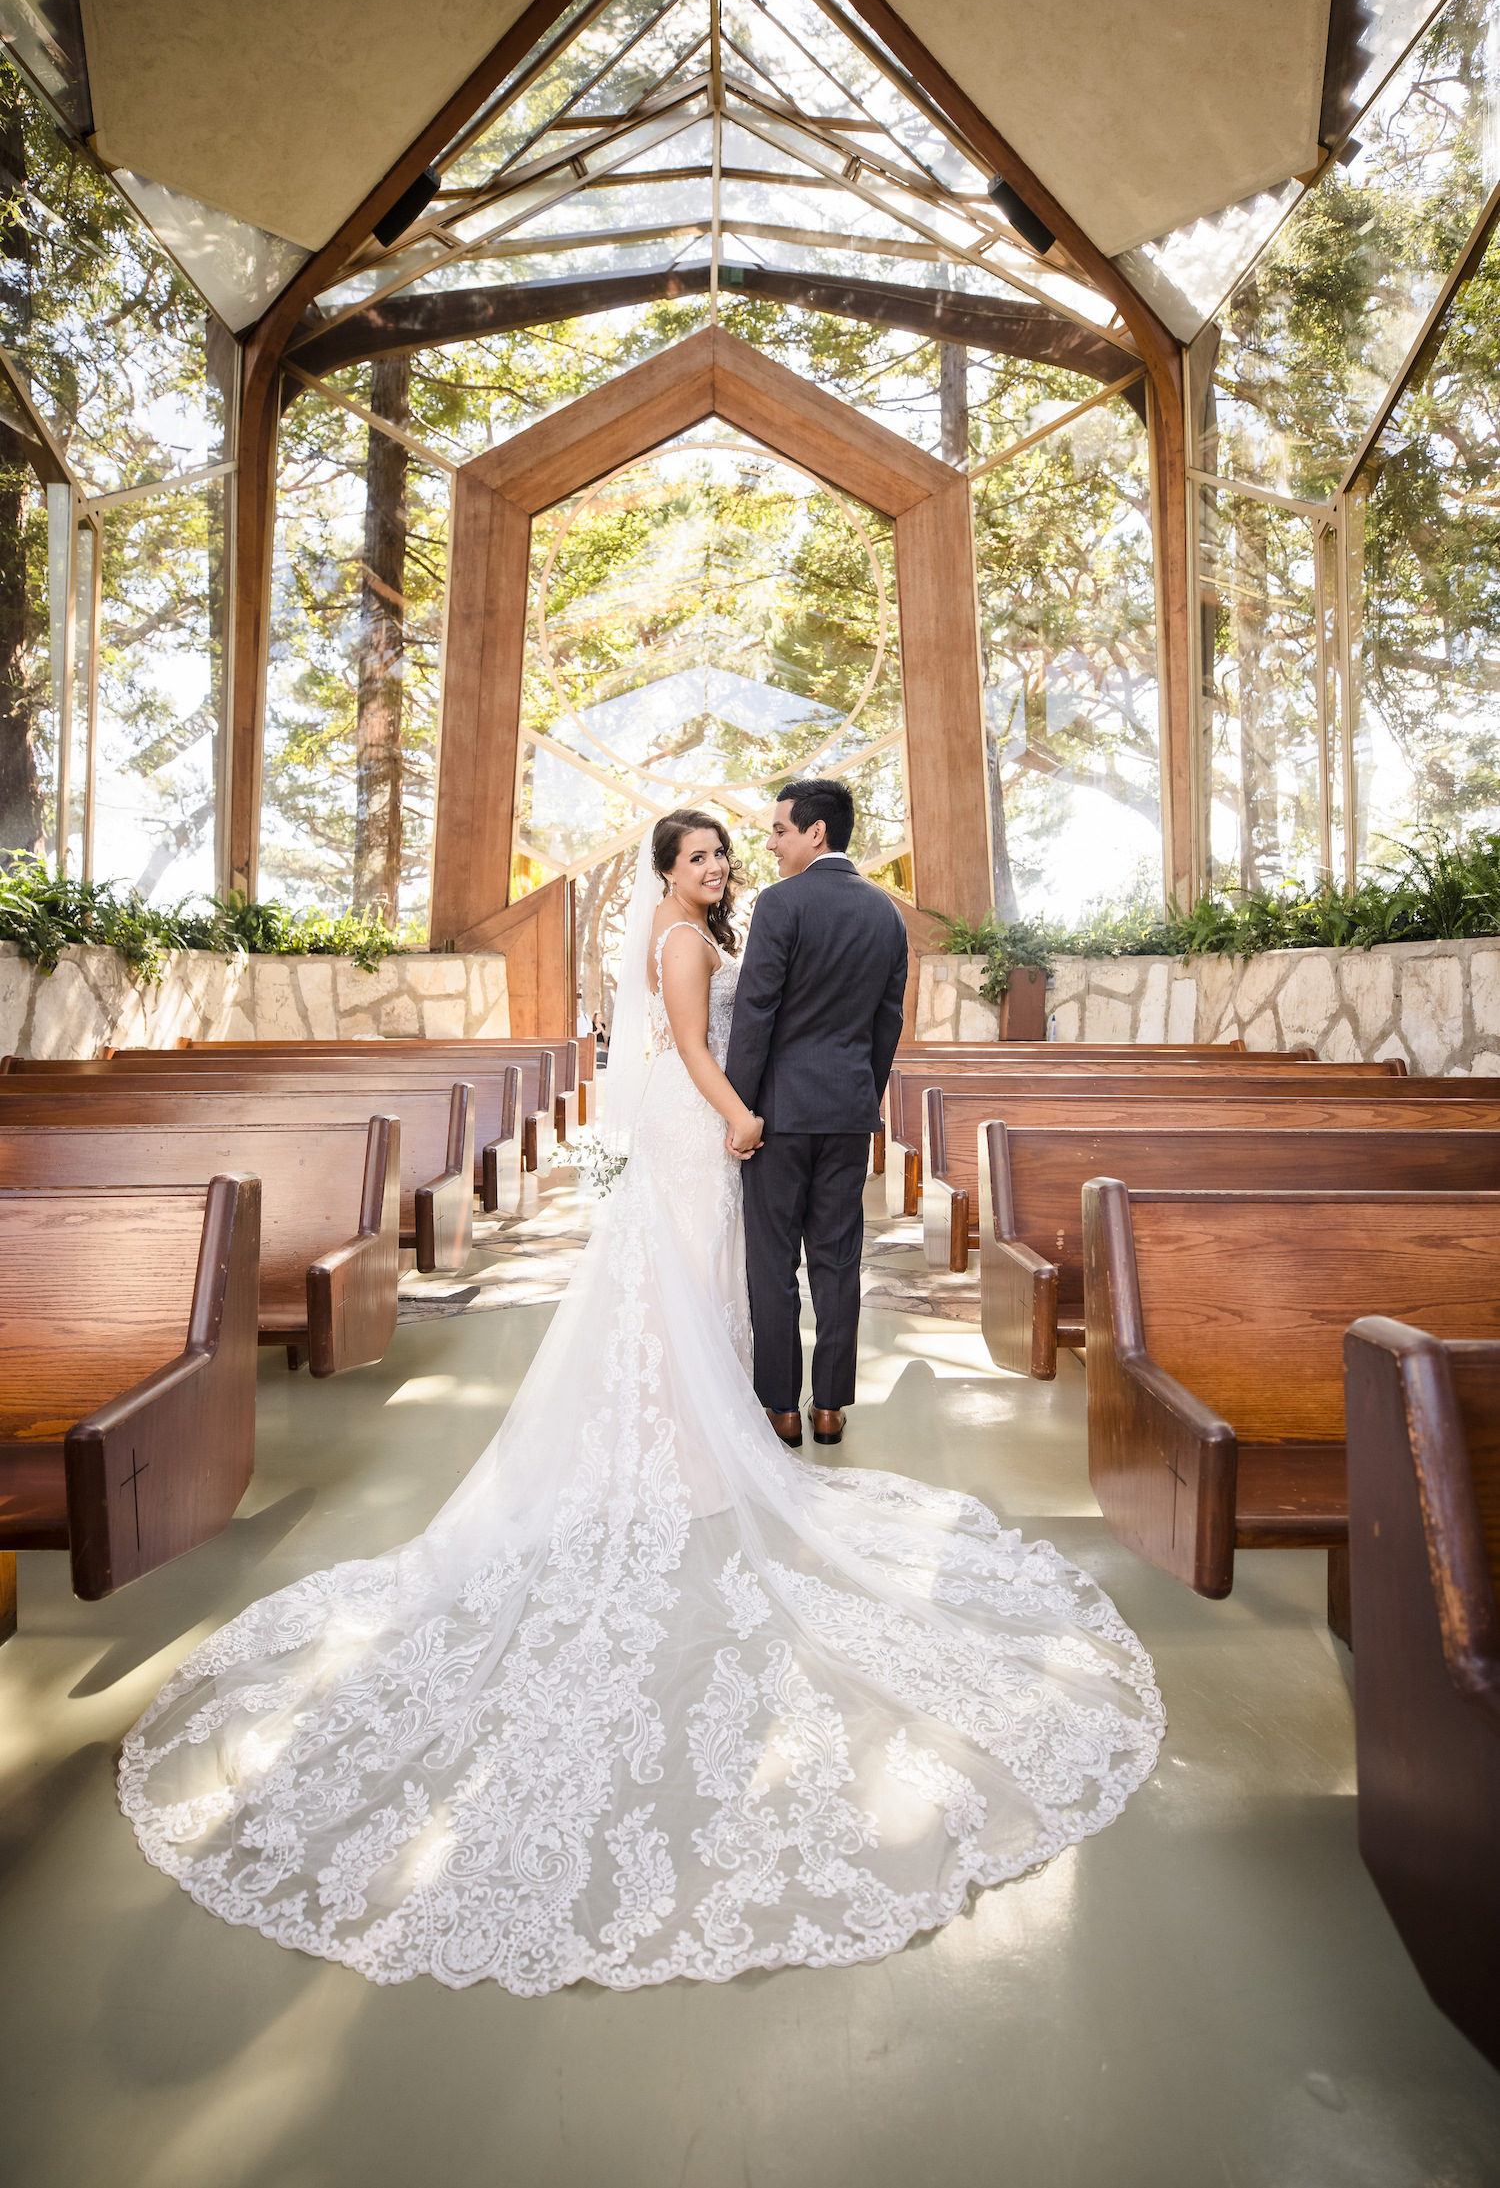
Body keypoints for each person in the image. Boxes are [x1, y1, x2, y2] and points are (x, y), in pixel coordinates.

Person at [119, 803, 1162, 1997]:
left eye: (727, 850)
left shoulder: (722, 927)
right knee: (686, 1277)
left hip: (713, 1125)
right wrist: (733, 1113)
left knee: (712, 1281)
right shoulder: (681, 942)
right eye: (700, 855)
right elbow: (694, 1043)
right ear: (666, 872)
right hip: (694, 1125)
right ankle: (683, 1436)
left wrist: (742, 1102)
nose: (719, 866)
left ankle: (703, 1426)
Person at [724, 778, 907, 1446]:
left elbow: (755, 1016)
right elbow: (888, 1024)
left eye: (779, 830)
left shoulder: (779, 905)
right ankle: (830, 1404)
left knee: (771, 1260)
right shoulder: (886, 913)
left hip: (777, 1115)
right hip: (848, 1112)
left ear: (816, 832)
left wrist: (739, 1110)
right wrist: (863, 1092)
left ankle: (782, 1407)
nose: (771, 844)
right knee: (837, 1259)